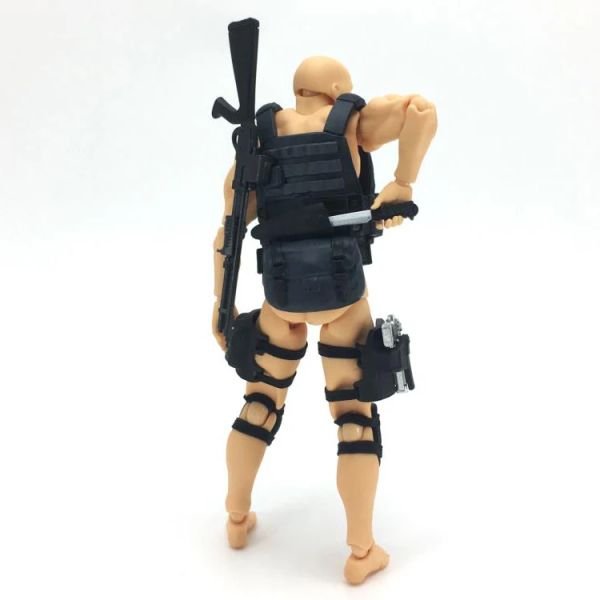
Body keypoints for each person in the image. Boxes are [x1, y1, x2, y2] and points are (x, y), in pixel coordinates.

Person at [212, 56, 437, 584]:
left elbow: (228, 235)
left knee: (259, 404)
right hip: (343, 296)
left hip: (281, 296)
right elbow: (420, 110)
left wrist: (221, 307)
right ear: (337, 89)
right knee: (354, 419)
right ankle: (361, 550)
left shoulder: (259, 144)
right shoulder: (352, 123)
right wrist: (402, 184)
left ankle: (237, 516)